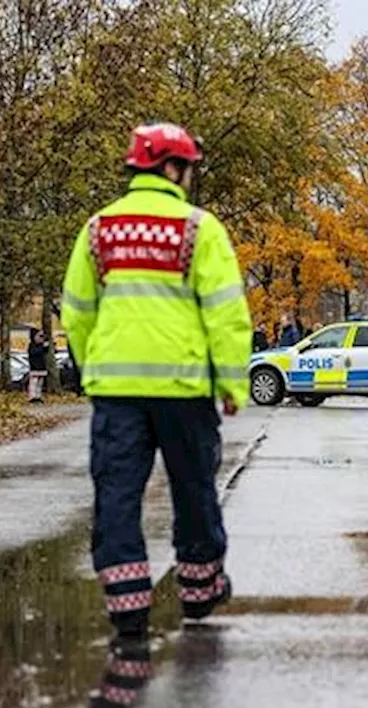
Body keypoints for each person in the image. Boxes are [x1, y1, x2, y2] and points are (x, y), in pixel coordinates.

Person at [61, 123, 252, 653]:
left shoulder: (98, 230)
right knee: (194, 490)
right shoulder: (199, 229)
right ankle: (198, 590)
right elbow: (227, 314)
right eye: (187, 168)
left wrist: (91, 365)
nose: (189, 179)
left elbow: (76, 310)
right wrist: (231, 382)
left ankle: (128, 610)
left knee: (117, 496)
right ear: (171, 168)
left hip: (116, 391)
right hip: (183, 388)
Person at [26, 329, 49, 403]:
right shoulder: (31, 346)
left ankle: (38, 395)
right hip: (34, 366)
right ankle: (32, 396)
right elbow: (34, 352)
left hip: (41, 366)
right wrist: (43, 347)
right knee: (34, 382)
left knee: (40, 383)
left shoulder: (41, 346)